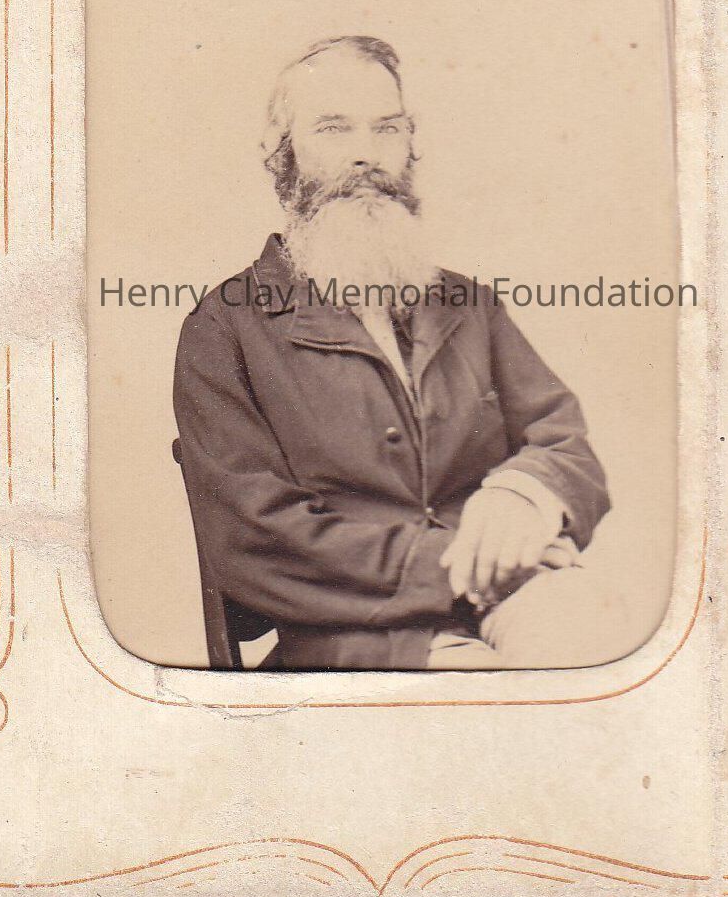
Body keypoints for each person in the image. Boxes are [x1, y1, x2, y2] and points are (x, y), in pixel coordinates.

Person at [172, 35, 609, 670]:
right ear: (281, 153)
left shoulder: (467, 305)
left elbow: (564, 442)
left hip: (501, 593)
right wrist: (457, 564)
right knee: (486, 696)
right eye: (333, 129)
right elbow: (255, 538)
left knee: (585, 642)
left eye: (387, 129)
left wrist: (524, 497)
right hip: (348, 632)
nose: (366, 155)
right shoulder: (225, 327)